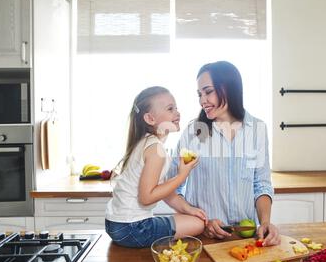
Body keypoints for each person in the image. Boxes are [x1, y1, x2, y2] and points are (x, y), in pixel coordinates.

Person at [165, 61, 281, 247]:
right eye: (199, 94)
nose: (203, 100)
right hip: (204, 240)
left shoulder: (257, 129)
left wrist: (265, 222)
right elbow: (170, 187)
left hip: (246, 238)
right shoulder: (194, 132)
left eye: (208, 91)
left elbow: (262, 185)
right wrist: (201, 221)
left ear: (228, 88)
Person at [105, 86, 207, 248]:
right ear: (150, 119)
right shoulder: (156, 149)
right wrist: (182, 175)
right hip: (133, 228)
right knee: (198, 224)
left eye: (176, 108)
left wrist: (189, 209)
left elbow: (163, 192)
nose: (177, 112)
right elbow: (146, 198)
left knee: (190, 217)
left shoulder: (146, 143)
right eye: (170, 109)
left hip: (117, 225)